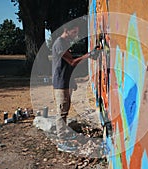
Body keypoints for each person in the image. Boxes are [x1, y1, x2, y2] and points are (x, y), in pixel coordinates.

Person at [52, 22, 99, 152]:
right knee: (61, 111)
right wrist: (89, 55)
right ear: (66, 30)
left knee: (65, 109)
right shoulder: (60, 43)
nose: (76, 35)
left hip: (65, 81)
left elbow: (67, 64)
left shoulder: (65, 43)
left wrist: (72, 81)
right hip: (60, 82)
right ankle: (61, 141)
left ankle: (64, 134)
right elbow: (71, 62)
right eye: (74, 32)